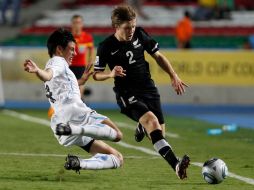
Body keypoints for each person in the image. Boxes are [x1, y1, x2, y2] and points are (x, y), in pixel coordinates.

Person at [93, 5, 190, 179]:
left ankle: (141, 125)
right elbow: (96, 75)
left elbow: (158, 56)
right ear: (116, 26)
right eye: (127, 27)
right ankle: (176, 165)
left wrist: (173, 75)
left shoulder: (140, 34)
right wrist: (111, 74)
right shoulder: (106, 46)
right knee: (152, 122)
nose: (131, 31)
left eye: (133, 26)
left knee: (159, 134)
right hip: (126, 92)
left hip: (148, 88)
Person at [24, 28, 123, 173]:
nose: (74, 53)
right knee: (117, 134)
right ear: (59, 49)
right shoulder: (58, 61)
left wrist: (82, 79)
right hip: (76, 113)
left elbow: (62, 85)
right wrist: (38, 71)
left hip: (60, 122)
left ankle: (78, 162)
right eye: (71, 49)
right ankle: (75, 129)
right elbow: (48, 75)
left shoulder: (58, 66)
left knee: (117, 158)